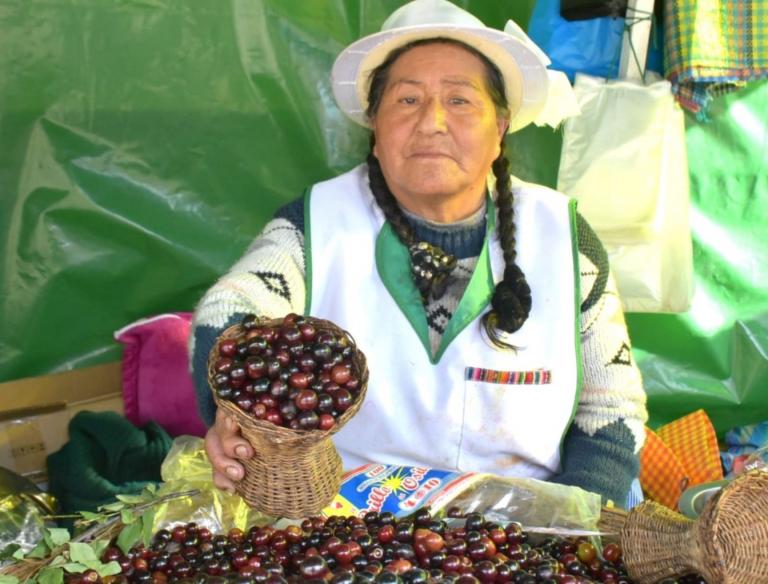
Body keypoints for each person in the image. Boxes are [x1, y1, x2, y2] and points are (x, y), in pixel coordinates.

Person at [190, 0, 648, 508]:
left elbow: (611, 410)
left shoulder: (562, 237)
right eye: (407, 101)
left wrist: (569, 521)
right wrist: (231, 414)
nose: (431, 122)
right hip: (353, 523)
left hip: (527, 524)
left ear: (499, 129)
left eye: (459, 101)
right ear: (375, 129)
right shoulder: (316, 223)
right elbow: (229, 311)